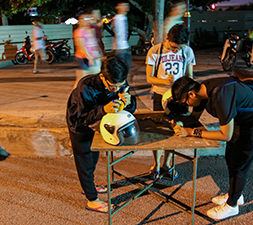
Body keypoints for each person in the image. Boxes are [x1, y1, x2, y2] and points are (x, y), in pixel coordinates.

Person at [171, 68, 253, 220]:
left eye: (186, 101)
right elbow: (193, 118)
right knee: (230, 156)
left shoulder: (219, 95)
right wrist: (176, 122)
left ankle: (232, 206)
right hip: (242, 118)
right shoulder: (202, 91)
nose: (187, 105)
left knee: (240, 162)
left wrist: (192, 132)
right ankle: (235, 195)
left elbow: (225, 135)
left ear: (191, 93)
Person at [66, 55, 136, 213]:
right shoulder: (86, 86)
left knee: (94, 157)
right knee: (84, 159)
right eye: (112, 87)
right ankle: (92, 199)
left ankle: (89, 185)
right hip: (80, 125)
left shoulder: (121, 84)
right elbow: (79, 118)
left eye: (120, 85)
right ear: (103, 77)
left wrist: (128, 102)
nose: (116, 89)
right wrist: (104, 109)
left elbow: (130, 109)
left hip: (100, 126)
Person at [145, 24, 196, 179]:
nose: (176, 50)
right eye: (173, 47)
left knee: (175, 130)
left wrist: (185, 88)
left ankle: (167, 164)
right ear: (167, 39)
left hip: (178, 97)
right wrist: (164, 81)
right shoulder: (155, 51)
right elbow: (149, 78)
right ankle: (156, 165)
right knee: (159, 130)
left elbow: (190, 76)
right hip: (160, 94)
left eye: (179, 48)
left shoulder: (187, 51)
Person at [73, 13, 102, 88]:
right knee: (81, 79)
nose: (88, 21)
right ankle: (75, 94)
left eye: (89, 19)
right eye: (86, 19)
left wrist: (99, 53)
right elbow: (81, 46)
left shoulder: (90, 30)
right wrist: (89, 57)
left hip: (94, 57)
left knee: (95, 78)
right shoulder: (79, 32)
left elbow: (95, 43)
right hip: (83, 58)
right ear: (80, 21)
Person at [112, 1, 131, 68]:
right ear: (118, 7)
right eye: (123, 5)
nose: (126, 7)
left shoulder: (124, 18)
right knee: (123, 68)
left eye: (126, 5)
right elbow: (117, 33)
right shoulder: (117, 18)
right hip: (120, 48)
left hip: (125, 46)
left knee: (127, 67)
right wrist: (118, 47)